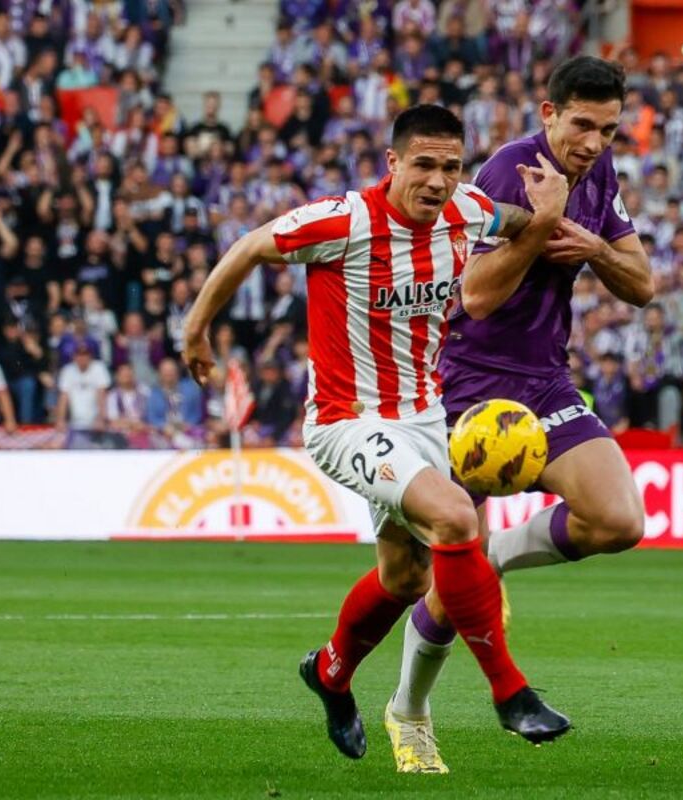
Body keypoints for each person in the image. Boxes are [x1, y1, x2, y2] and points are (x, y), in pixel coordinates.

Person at [180, 105, 573, 764]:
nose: (437, 180)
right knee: (457, 520)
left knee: (405, 578)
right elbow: (249, 246)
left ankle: (330, 674)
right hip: (347, 421)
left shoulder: (467, 211)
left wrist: (542, 211)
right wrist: (196, 329)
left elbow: (509, 223)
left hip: (422, 420)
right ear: (393, 163)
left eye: (450, 166)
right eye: (423, 165)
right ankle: (511, 694)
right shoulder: (344, 221)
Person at [386, 57, 653, 773]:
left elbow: (644, 285)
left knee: (620, 520)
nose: (594, 142)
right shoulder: (509, 172)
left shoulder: (600, 177)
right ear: (548, 114)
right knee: (432, 579)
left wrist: (594, 245)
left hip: (544, 382)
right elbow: (473, 295)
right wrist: (539, 229)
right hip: (465, 387)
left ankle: (493, 559)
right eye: (582, 124)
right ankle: (409, 710)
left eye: (608, 129)